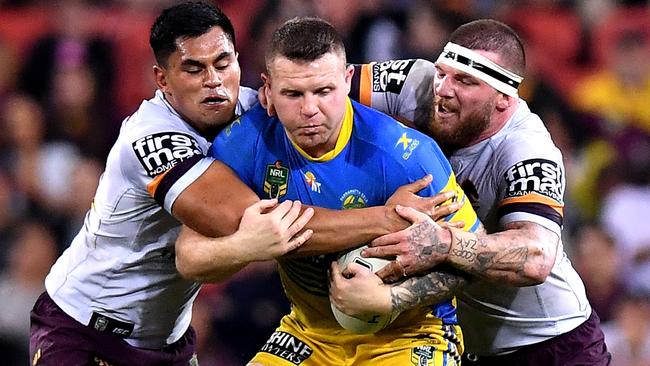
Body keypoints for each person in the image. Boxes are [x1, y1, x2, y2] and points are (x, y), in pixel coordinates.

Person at [28, 2, 431, 365]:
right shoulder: (151, 140)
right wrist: (387, 219)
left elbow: (413, 78)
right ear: (162, 79)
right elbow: (256, 225)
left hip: (169, 339)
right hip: (84, 331)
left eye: (223, 63)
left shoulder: (266, 101)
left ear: (239, 60)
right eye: (193, 69)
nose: (214, 81)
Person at [185, 16, 481, 366]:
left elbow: (473, 259)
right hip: (309, 334)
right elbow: (189, 254)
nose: (309, 110)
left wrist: (393, 299)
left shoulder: (407, 156)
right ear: (267, 89)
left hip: (409, 335)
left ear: (347, 79)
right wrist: (246, 245)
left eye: (323, 91)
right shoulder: (246, 143)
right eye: (292, 94)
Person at [331, 19, 611, 365]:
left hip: (551, 345)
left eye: (465, 81)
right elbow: (325, 82)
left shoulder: (526, 150)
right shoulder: (418, 82)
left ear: (503, 100)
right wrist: (252, 96)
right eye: (442, 73)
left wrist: (444, 244)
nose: (444, 89)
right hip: (467, 346)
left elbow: (536, 257)